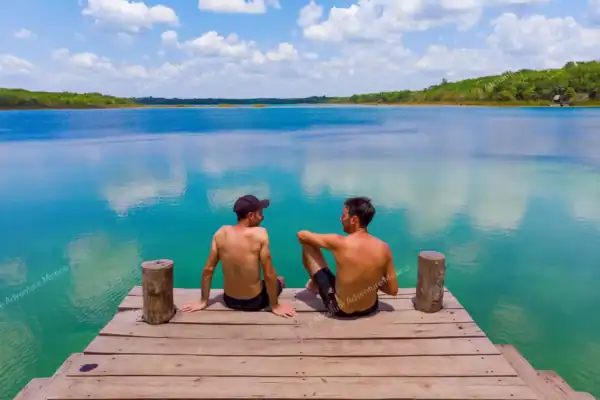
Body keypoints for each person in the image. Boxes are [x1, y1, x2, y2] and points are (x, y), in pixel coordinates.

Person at [181, 194, 296, 318]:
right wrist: (275, 306)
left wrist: (203, 301)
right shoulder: (260, 234)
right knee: (281, 280)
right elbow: (268, 274)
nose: (262, 217)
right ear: (250, 215)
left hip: (230, 300)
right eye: (260, 214)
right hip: (254, 302)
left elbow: (208, 270)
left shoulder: (221, 232)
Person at [297, 196, 398, 318]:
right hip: (370, 308)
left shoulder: (339, 242)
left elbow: (301, 235)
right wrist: (371, 278)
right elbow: (393, 290)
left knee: (308, 244)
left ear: (354, 220)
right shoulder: (384, 247)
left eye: (343, 216)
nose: (340, 219)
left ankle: (314, 283)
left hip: (341, 310)